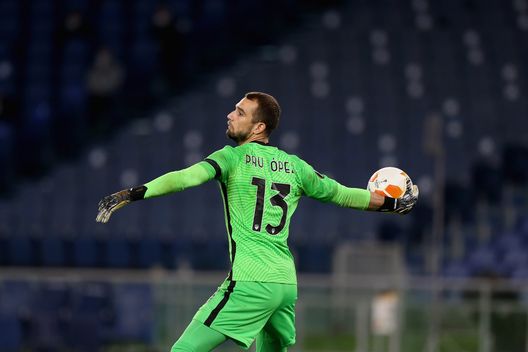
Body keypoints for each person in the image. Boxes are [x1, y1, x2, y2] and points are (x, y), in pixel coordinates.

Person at [96, 92, 419, 351]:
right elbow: (344, 194)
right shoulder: (294, 166)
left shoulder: (231, 158)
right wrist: (391, 203)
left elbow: (186, 178)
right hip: (284, 285)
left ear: (259, 127)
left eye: (239, 112)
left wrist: (135, 193)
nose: (230, 114)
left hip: (250, 281)